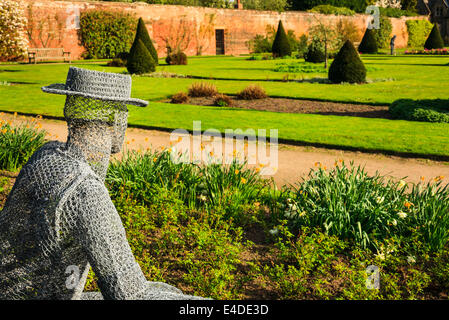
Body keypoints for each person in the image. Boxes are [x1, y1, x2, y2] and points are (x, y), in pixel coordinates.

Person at [0, 67, 205, 300]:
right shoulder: (86, 192)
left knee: (167, 290)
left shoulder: (45, 154)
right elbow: (128, 294)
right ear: (118, 121)